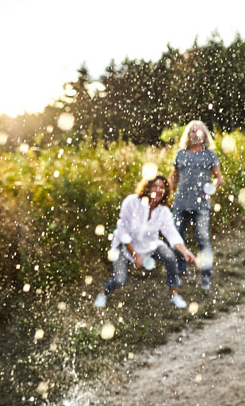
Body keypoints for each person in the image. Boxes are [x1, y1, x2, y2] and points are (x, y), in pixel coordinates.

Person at [95, 174, 196, 309]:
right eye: (155, 186)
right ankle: (103, 293)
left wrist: (185, 251)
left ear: (165, 192)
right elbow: (122, 231)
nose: (158, 190)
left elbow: (171, 234)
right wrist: (136, 256)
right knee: (120, 279)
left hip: (149, 246)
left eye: (162, 187)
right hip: (125, 246)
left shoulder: (163, 211)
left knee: (170, 256)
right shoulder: (131, 202)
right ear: (147, 187)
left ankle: (174, 295)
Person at [169, 120, 223, 291]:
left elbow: (219, 178)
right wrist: (167, 194)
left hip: (201, 204)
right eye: (192, 131)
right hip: (180, 202)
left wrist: (213, 187)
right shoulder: (180, 154)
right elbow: (173, 177)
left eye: (199, 131)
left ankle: (206, 275)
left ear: (205, 135)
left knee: (202, 238)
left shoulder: (210, 155)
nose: (196, 134)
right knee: (177, 237)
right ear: (188, 134)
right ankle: (181, 270)